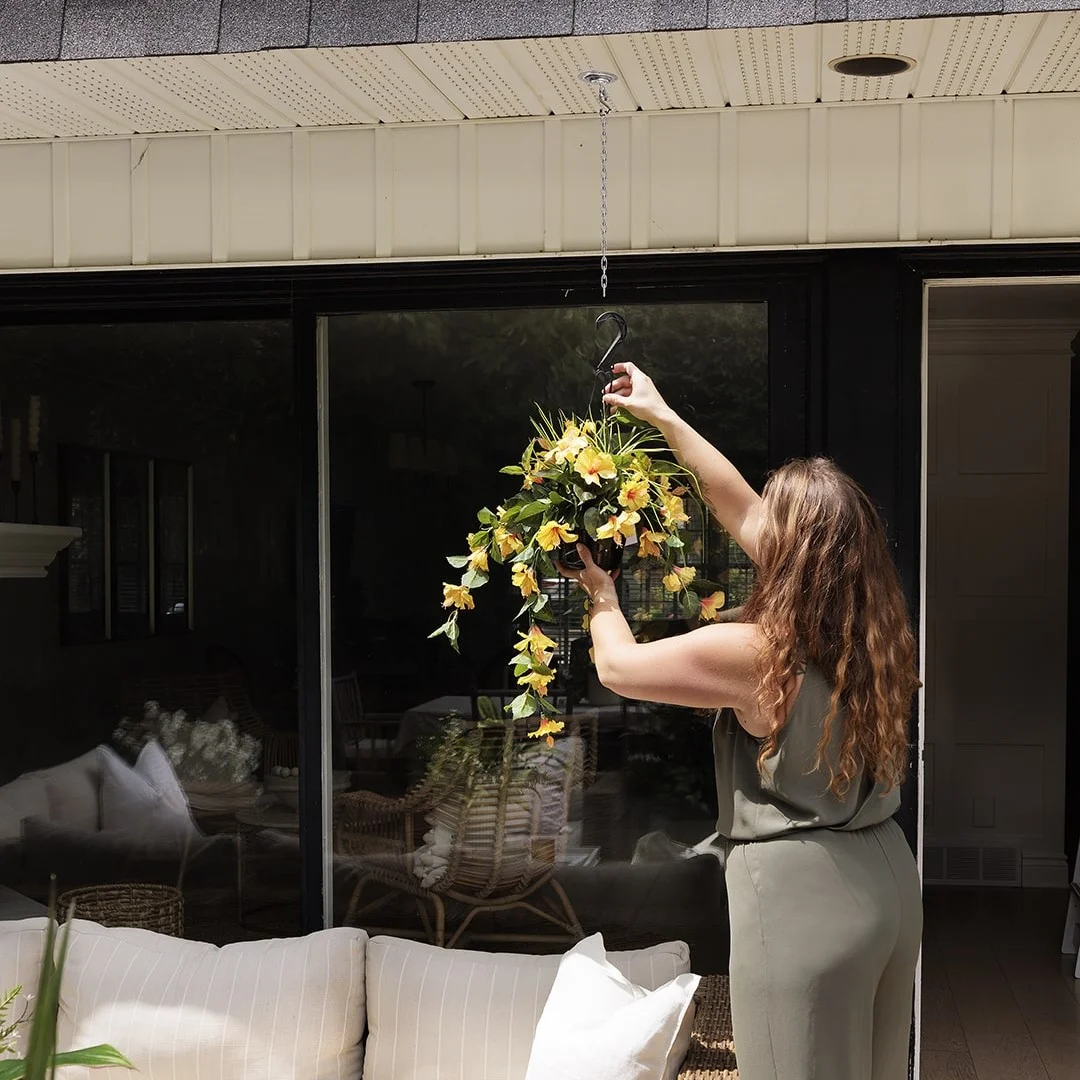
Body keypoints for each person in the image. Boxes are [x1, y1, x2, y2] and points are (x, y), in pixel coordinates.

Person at [560, 361, 923, 1080]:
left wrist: (600, 592)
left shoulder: (761, 654)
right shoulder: (869, 629)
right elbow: (736, 504)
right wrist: (661, 417)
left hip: (805, 907)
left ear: (792, 554)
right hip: (888, 886)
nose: (755, 522)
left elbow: (620, 670)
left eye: (773, 523)